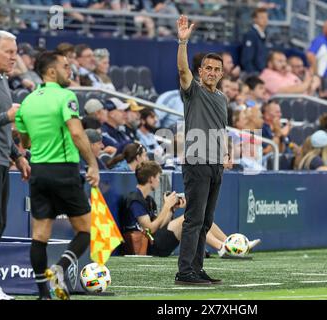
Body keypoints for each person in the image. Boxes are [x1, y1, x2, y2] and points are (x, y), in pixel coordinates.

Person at [15, 51, 100, 300]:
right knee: (85, 230)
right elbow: (76, 133)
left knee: (40, 235)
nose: (70, 69)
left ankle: (43, 294)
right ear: (51, 71)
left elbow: (25, 140)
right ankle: (60, 268)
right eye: (65, 66)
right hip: (63, 169)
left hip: (38, 171)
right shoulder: (66, 96)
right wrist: (92, 164)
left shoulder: (27, 102)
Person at [176, 15, 232, 285]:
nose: (211, 72)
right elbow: (182, 71)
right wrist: (182, 42)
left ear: (221, 73)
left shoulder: (222, 98)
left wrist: (227, 153)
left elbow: (222, 129)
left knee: (206, 221)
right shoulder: (193, 91)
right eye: (207, 68)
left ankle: (196, 269)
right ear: (200, 72)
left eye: (215, 69)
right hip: (197, 162)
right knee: (193, 219)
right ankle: (184, 271)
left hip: (215, 164)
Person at [121, 161, 261, 257]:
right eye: (158, 178)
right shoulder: (135, 199)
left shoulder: (148, 199)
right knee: (191, 218)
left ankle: (234, 243)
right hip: (149, 247)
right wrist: (166, 206)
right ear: (151, 179)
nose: (159, 181)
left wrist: (171, 210)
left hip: (156, 241)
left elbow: (161, 225)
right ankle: (221, 247)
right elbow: (150, 230)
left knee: (203, 218)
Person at [0, 30, 31, 301]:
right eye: (10, 52)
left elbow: (0, 130)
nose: (16, 57)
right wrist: (7, 115)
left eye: (16, 51)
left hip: (0, 161)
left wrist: (18, 156)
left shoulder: (0, 80)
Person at [240, 8, 269, 73]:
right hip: (255, 73)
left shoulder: (264, 34)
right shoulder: (251, 35)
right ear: (254, 19)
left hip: (263, 71)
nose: (265, 20)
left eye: (266, 17)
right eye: (262, 17)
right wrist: (253, 74)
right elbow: (246, 59)